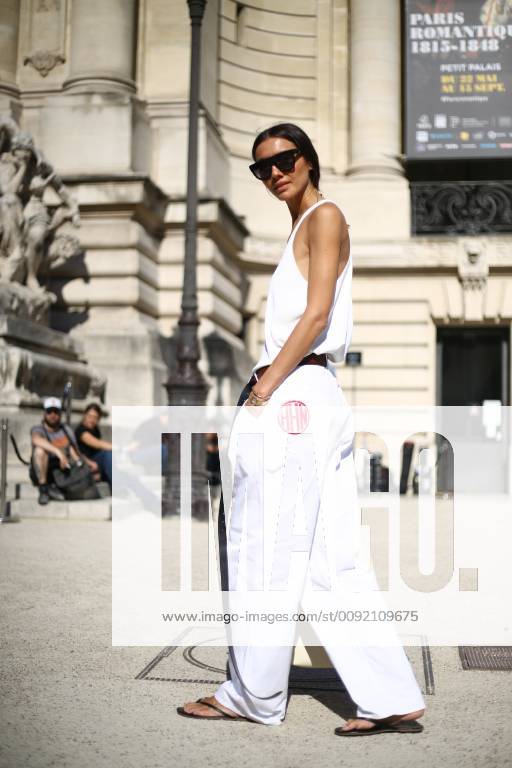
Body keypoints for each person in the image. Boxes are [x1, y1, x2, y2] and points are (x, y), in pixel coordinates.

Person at [178, 123, 425, 735]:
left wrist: (264, 387)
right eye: (263, 168)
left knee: (264, 547)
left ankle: (254, 695)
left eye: (285, 160)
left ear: (310, 160)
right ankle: (388, 694)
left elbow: (316, 315)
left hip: (293, 394)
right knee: (326, 557)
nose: (274, 173)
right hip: (312, 397)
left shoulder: (323, 217)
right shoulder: (307, 224)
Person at [30, 397, 98, 505]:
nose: (53, 415)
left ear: (60, 413)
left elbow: (75, 452)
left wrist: (87, 463)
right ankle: (43, 490)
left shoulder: (66, 430)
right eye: (49, 411)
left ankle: (62, 490)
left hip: (63, 470)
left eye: (56, 411)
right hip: (44, 471)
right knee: (40, 451)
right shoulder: (38, 429)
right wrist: (59, 453)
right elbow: (36, 440)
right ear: (44, 413)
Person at [75, 403, 112, 489]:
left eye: (95, 418)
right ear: (84, 415)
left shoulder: (95, 429)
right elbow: (97, 444)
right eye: (90, 416)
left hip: (95, 461)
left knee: (108, 454)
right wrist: (119, 448)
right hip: (85, 462)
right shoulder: (81, 431)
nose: (92, 420)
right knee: (107, 454)